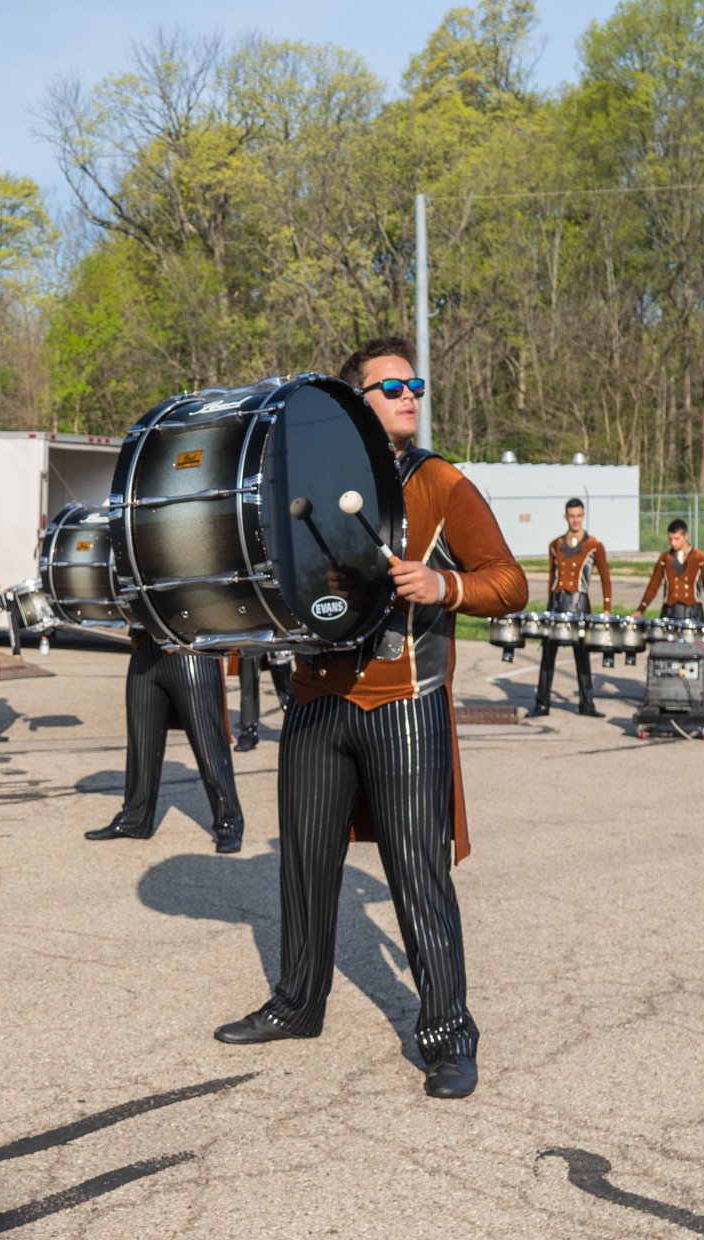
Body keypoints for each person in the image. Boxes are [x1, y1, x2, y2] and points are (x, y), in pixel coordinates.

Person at [211, 336, 528, 1100]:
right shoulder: (308, 479)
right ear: (355, 403)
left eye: (414, 383)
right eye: (390, 388)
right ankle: (298, 1002)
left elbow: (510, 583)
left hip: (404, 702)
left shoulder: (440, 481)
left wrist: (443, 585)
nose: (409, 395)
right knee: (305, 863)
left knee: (417, 871)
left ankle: (449, 1033)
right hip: (318, 700)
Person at [86, 630, 244, 852]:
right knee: (141, 742)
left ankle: (229, 824)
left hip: (189, 645)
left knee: (209, 744)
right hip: (145, 646)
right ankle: (135, 818)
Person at [534, 498, 611, 717]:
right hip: (558, 602)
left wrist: (606, 607)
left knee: (582, 654)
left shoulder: (593, 545)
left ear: (583, 516)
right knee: (548, 653)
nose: (575, 520)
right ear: (565, 517)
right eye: (571, 516)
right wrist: (549, 606)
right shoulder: (555, 544)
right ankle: (542, 703)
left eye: (578, 516)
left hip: (580, 603)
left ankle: (587, 704)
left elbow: (606, 577)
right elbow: (551, 577)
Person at [635, 519, 704, 623]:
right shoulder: (665, 558)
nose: (673, 543)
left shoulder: (699, 557)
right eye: (670, 539)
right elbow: (653, 586)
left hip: (693, 613)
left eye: (676, 539)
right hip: (669, 613)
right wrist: (640, 610)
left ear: (686, 536)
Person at [233, 649, 291, 751]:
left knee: (285, 684)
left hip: (277, 639)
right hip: (249, 638)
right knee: (248, 679)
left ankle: (299, 727)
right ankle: (248, 732)